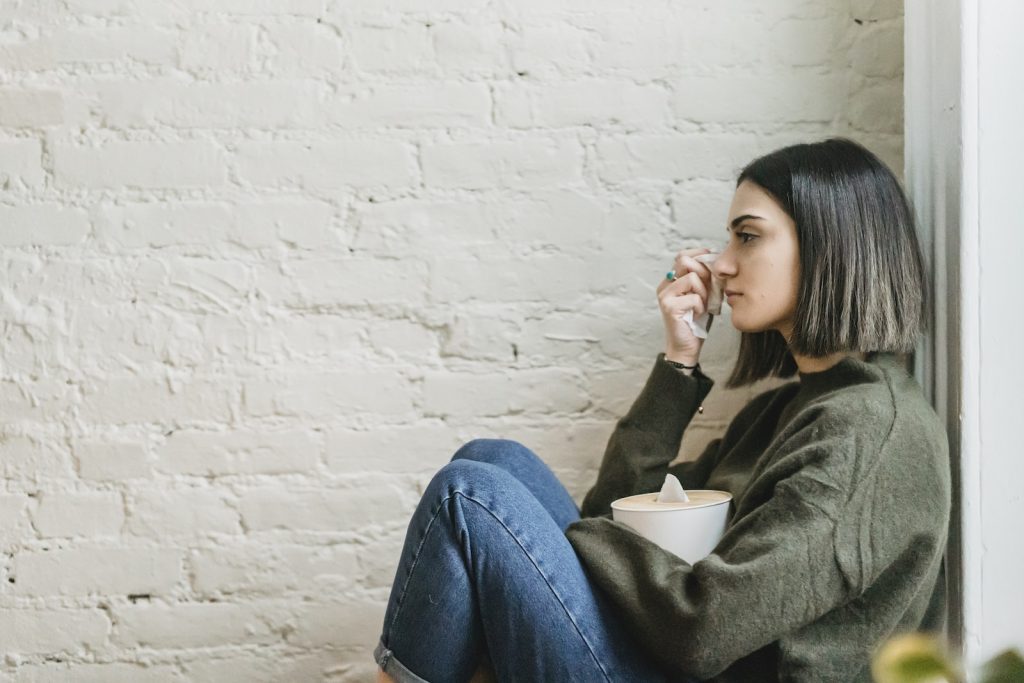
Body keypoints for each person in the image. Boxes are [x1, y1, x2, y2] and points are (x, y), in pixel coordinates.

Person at [373, 137, 951, 683]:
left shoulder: (869, 432)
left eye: (747, 237)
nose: (722, 265)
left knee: (469, 494)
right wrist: (680, 362)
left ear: (830, 246)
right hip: (669, 659)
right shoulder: (783, 410)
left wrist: (579, 538)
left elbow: (703, 628)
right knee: (492, 460)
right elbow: (618, 514)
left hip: (692, 664)